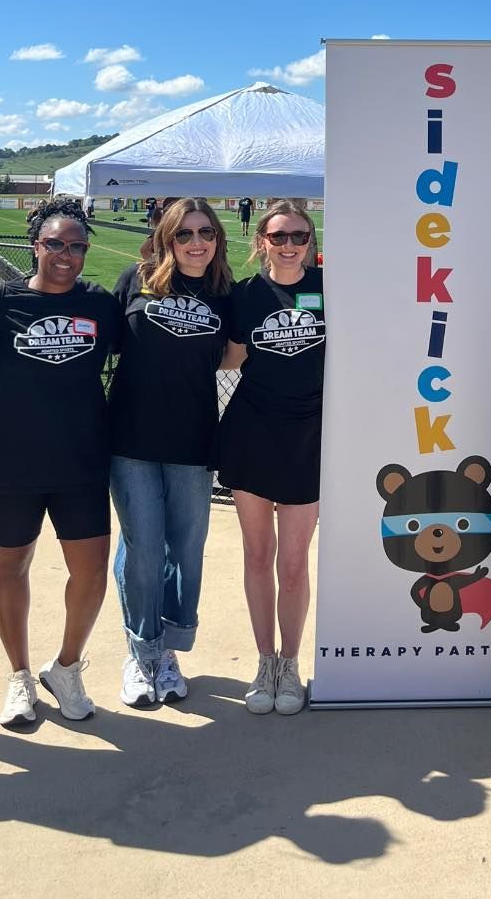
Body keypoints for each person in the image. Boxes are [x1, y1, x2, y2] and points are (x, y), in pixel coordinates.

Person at [0, 197, 121, 727]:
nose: (65, 255)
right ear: (35, 244)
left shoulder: (101, 304)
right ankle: (18, 676)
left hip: (81, 460)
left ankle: (65, 667)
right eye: (55, 244)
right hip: (9, 462)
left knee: (91, 574)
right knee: (11, 566)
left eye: (76, 246)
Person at [107, 199, 234, 707]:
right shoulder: (133, 281)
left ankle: (169, 646)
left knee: (185, 549)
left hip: (193, 442)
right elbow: (102, 347)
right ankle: (142, 652)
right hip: (131, 441)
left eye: (206, 233)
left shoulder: (227, 294)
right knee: (143, 547)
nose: (196, 243)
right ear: (167, 239)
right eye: (185, 235)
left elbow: (234, 357)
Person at [214, 200, 324, 716]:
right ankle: (263, 661)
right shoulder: (244, 295)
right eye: (278, 236)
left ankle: (290, 662)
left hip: (309, 437)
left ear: (310, 242)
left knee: (295, 560)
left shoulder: (331, 291)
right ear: (262, 240)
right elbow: (230, 359)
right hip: (251, 433)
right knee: (258, 554)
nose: (288, 245)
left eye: (297, 236)